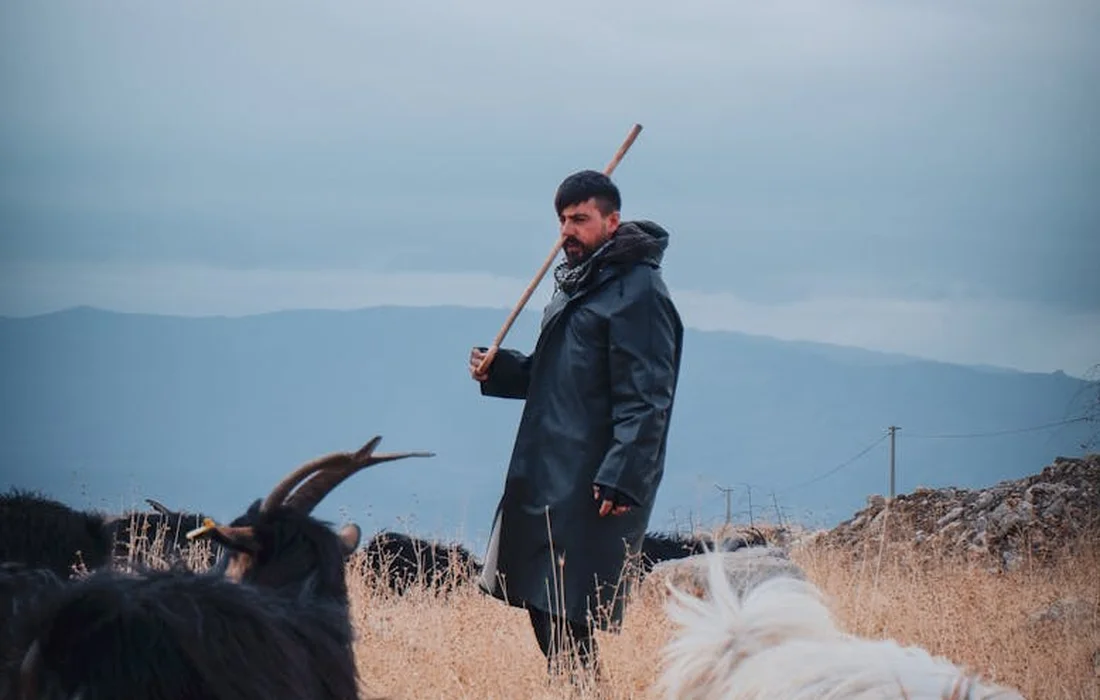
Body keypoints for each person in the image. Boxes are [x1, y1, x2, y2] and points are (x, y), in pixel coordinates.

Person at [468, 169, 684, 681]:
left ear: (612, 222)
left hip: (594, 477)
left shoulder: (640, 294)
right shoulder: (577, 284)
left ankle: (582, 689)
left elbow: (648, 397)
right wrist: (499, 370)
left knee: (565, 602)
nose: (568, 230)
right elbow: (558, 371)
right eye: (563, 220)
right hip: (548, 466)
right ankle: (577, 688)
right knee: (540, 598)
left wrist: (623, 474)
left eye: (580, 219)